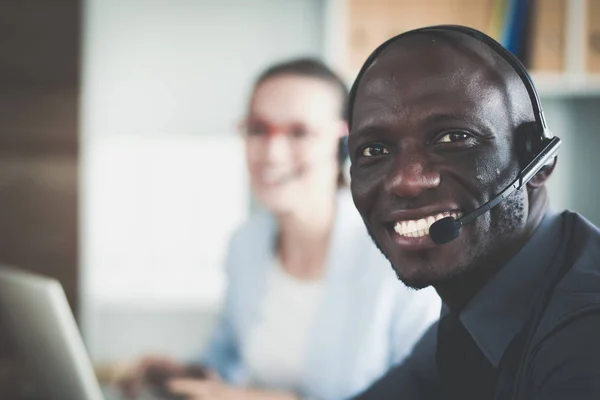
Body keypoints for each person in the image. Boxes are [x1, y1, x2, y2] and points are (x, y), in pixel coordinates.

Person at [117, 58, 441, 400]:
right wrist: (186, 376)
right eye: (258, 129)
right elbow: (228, 361)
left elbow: (429, 391)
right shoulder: (245, 244)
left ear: (344, 145)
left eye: (299, 132)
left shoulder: (396, 254)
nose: (271, 153)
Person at [347, 25, 600, 400]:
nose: (406, 181)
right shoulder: (477, 303)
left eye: (453, 138)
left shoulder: (584, 340)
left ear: (538, 161)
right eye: (375, 151)